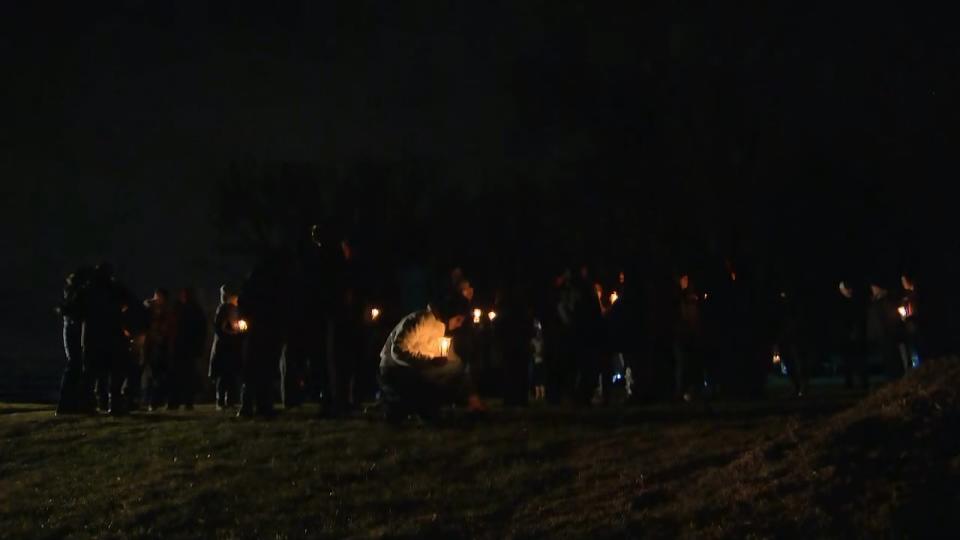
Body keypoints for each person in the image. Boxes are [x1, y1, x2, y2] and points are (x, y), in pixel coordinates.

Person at [378, 296, 486, 422]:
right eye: (458, 319)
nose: (459, 324)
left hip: (415, 369)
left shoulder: (440, 329)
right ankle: (409, 405)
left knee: (456, 365)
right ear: (449, 314)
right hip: (395, 369)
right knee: (454, 368)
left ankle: (472, 405)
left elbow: (450, 360)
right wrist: (430, 361)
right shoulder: (421, 319)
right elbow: (398, 351)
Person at [82, 263, 135, 415]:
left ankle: (92, 403)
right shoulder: (114, 288)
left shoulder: (89, 289)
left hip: (94, 336)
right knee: (114, 371)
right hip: (111, 335)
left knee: (93, 373)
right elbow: (129, 301)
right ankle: (114, 404)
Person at [55, 267, 94, 415]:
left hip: (72, 328)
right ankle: (68, 404)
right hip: (75, 330)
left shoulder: (71, 292)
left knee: (75, 365)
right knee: (75, 365)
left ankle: (68, 403)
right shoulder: (79, 293)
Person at [168, 288, 206, 410]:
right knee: (179, 375)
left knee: (185, 375)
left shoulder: (191, 310)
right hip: (181, 347)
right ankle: (178, 401)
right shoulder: (184, 309)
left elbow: (201, 330)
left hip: (186, 347)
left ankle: (183, 401)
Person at [209, 285, 244, 410]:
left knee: (231, 374)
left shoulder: (234, 309)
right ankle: (221, 400)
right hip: (224, 347)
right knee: (224, 374)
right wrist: (232, 334)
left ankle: (230, 399)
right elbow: (220, 327)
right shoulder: (224, 309)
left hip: (232, 346)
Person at [142, 288, 175, 410]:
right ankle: (151, 400)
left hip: (162, 346)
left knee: (160, 375)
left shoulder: (167, 312)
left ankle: (156, 400)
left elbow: (170, 328)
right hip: (152, 345)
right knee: (153, 374)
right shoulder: (150, 308)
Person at [673, 273, 702, 401]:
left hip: (692, 333)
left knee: (691, 363)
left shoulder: (693, 298)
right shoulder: (680, 298)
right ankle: (682, 390)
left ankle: (691, 390)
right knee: (683, 364)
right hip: (683, 334)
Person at [837, 280, 868, 389]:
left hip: (854, 335)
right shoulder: (845, 303)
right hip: (847, 336)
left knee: (858, 359)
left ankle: (861, 382)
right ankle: (850, 382)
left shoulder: (854, 302)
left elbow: (858, 319)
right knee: (848, 360)